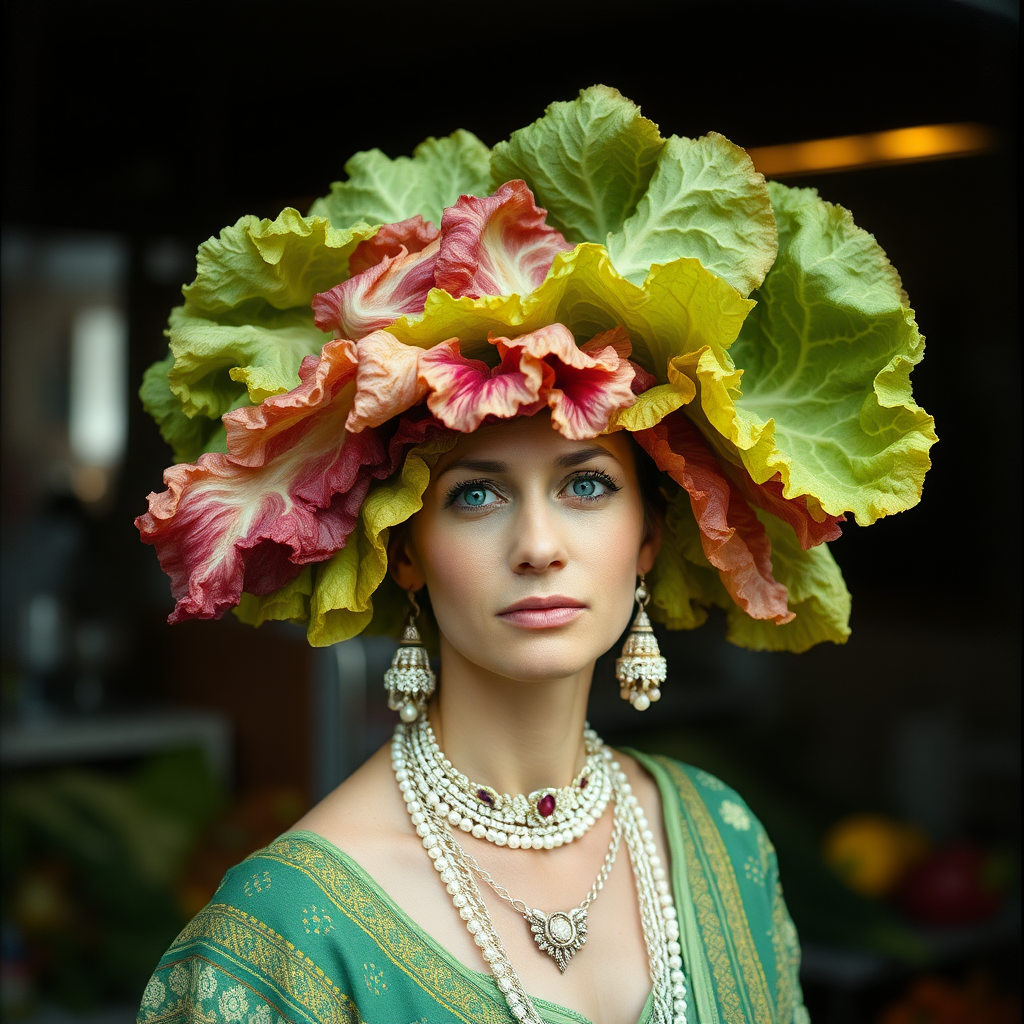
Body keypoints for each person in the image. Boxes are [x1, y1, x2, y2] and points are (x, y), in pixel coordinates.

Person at [134, 86, 936, 1023]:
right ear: (403, 551)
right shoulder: (276, 938)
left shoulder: (723, 840)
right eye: (474, 495)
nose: (540, 546)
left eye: (587, 484)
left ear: (650, 535)